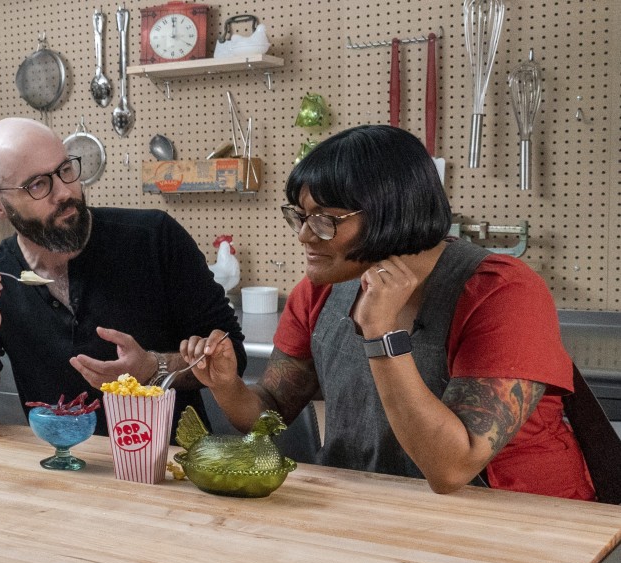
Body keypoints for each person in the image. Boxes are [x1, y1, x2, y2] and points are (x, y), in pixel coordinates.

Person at [0, 117, 246, 563]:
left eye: (65, 171)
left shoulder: (152, 237)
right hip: (61, 489)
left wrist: (156, 366)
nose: (65, 194)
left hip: (165, 487)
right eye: (38, 185)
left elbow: (228, 353)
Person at [182, 124, 595, 502]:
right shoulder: (319, 291)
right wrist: (227, 386)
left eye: (326, 220)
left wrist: (381, 335)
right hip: (377, 505)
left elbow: (452, 469)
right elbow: (270, 410)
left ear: (388, 212)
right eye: (301, 216)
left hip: (522, 519)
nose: (306, 235)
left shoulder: (501, 291)